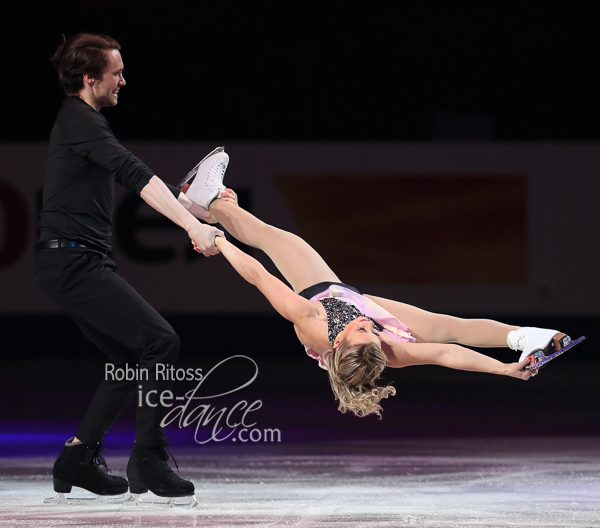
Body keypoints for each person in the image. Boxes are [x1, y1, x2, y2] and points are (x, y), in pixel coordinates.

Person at [183, 148, 573, 419]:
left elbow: (258, 275)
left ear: (338, 340)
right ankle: (525, 337)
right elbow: (446, 354)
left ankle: (210, 201)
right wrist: (505, 371)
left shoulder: (309, 319)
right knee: (449, 326)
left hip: (321, 292)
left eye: (362, 331)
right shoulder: (384, 348)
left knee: (276, 240)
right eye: (373, 334)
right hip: (351, 299)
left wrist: (217, 240)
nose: (370, 327)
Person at [35, 33, 229, 502]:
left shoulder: (82, 120)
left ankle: (76, 458)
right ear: (89, 78)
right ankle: (148, 456)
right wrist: (190, 227)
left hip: (72, 259)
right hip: (73, 261)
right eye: (116, 72)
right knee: (161, 342)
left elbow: (135, 176)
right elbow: (135, 174)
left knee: (128, 359)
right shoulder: (79, 119)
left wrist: (187, 210)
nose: (124, 79)